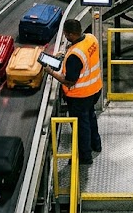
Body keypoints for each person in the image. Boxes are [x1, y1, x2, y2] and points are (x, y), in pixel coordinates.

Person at [46, 19, 102, 165]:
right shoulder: (91, 38)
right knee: (90, 117)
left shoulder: (74, 56)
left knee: (81, 126)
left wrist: (50, 71)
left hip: (80, 96)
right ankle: (96, 144)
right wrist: (64, 55)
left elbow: (69, 81)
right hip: (95, 89)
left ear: (70, 34)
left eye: (65, 34)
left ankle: (85, 157)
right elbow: (84, 59)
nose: (64, 36)